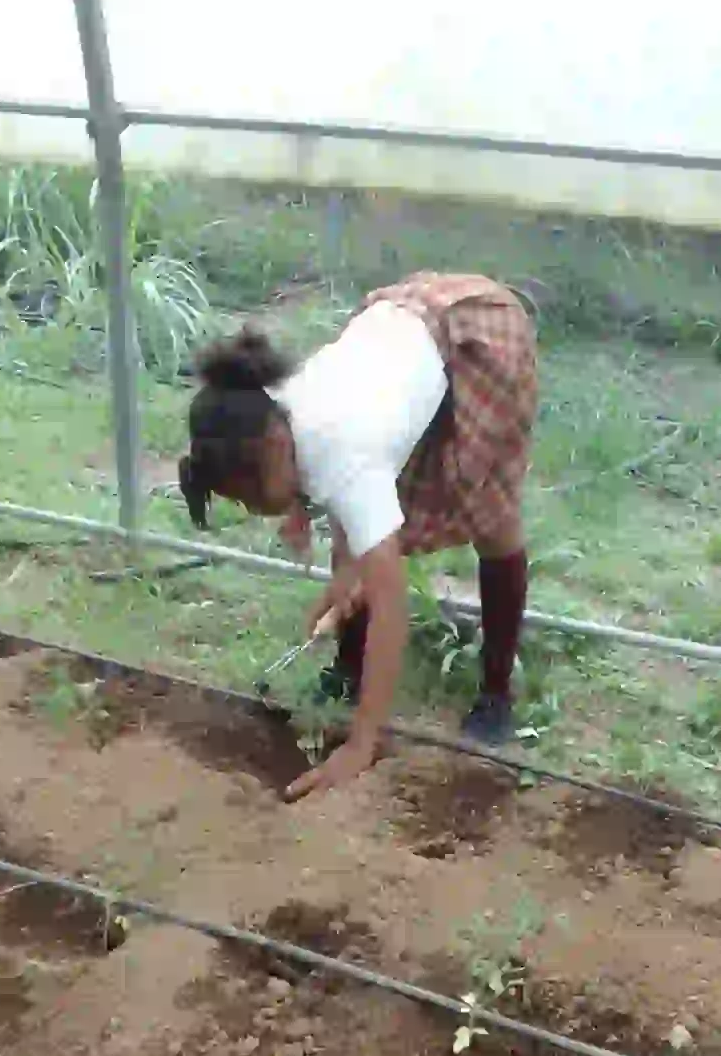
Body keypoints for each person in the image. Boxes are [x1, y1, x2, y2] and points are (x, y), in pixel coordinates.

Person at [178, 271, 537, 798]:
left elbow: (392, 605)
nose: (257, 511)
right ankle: (348, 667)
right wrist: (315, 527)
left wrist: (362, 744)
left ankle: (496, 693)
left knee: (490, 517)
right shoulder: (258, 403)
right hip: (400, 338)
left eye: (252, 498)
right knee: (366, 531)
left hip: (475, 338)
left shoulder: (345, 451)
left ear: (274, 450)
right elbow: (320, 479)